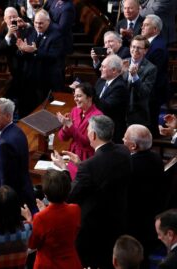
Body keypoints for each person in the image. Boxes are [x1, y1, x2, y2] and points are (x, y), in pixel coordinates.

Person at [52, 115, 131, 269]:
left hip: (93, 229)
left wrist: (64, 169)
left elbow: (70, 195)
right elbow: (103, 174)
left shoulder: (89, 166)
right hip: (118, 219)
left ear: (93, 135)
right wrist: (80, 164)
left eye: (88, 130)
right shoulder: (124, 151)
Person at [123, 124, 166, 267]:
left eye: (125, 138)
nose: (122, 140)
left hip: (133, 222)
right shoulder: (156, 158)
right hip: (152, 217)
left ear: (133, 146)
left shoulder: (129, 165)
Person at [22, 170, 82, 269]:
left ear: (45, 194)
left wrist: (29, 220)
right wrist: (44, 212)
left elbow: (32, 244)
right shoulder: (75, 209)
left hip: (48, 264)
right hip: (71, 263)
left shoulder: (40, 217)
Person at [0, 98, 37, 213]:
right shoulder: (17, 131)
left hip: (9, 201)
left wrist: (2, 204)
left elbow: (7, 180)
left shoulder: (4, 144)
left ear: (8, 116)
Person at [16, 9, 64, 117]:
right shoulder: (30, 31)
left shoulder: (56, 35)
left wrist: (35, 51)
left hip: (47, 81)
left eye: (41, 23)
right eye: (36, 22)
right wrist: (22, 50)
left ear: (48, 22)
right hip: (29, 79)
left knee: (44, 113)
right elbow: (22, 52)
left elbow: (53, 56)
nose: (38, 25)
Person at [56, 82, 103, 179]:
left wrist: (70, 125)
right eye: (74, 96)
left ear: (89, 97)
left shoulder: (97, 116)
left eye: (79, 96)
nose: (75, 99)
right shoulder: (75, 110)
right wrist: (65, 126)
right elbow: (61, 138)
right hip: (73, 155)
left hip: (87, 158)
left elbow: (87, 141)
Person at [141, 14, 169, 136]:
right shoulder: (148, 43)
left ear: (155, 30)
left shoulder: (158, 47)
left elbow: (154, 73)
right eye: (142, 25)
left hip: (154, 91)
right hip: (148, 89)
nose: (142, 27)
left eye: (146, 25)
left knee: (151, 124)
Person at [123, 35, 157, 127]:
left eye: (139, 48)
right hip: (121, 112)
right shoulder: (122, 62)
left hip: (137, 114)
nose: (135, 50)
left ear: (145, 51)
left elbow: (144, 92)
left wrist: (135, 76)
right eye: (133, 47)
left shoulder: (151, 68)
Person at [95, 54, 129, 143]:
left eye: (103, 67)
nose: (100, 69)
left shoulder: (120, 87)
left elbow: (106, 107)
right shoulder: (101, 81)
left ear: (114, 70)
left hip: (111, 131)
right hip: (98, 124)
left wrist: (89, 94)